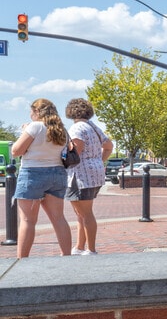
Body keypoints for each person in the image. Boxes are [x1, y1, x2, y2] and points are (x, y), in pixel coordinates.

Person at [11, 98, 72, 258]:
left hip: (33, 173)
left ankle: (21, 260)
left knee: (27, 221)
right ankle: (66, 256)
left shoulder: (35, 126)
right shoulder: (62, 130)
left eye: (32, 111)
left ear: (37, 111)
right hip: (57, 173)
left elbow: (16, 151)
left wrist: (25, 130)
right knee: (59, 219)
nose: (30, 115)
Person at [64, 98, 114, 255]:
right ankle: (80, 246)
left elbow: (75, 154)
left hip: (80, 176)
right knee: (81, 214)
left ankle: (91, 249)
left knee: (85, 214)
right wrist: (99, 160)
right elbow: (109, 146)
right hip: (95, 174)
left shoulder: (76, 129)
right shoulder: (93, 127)